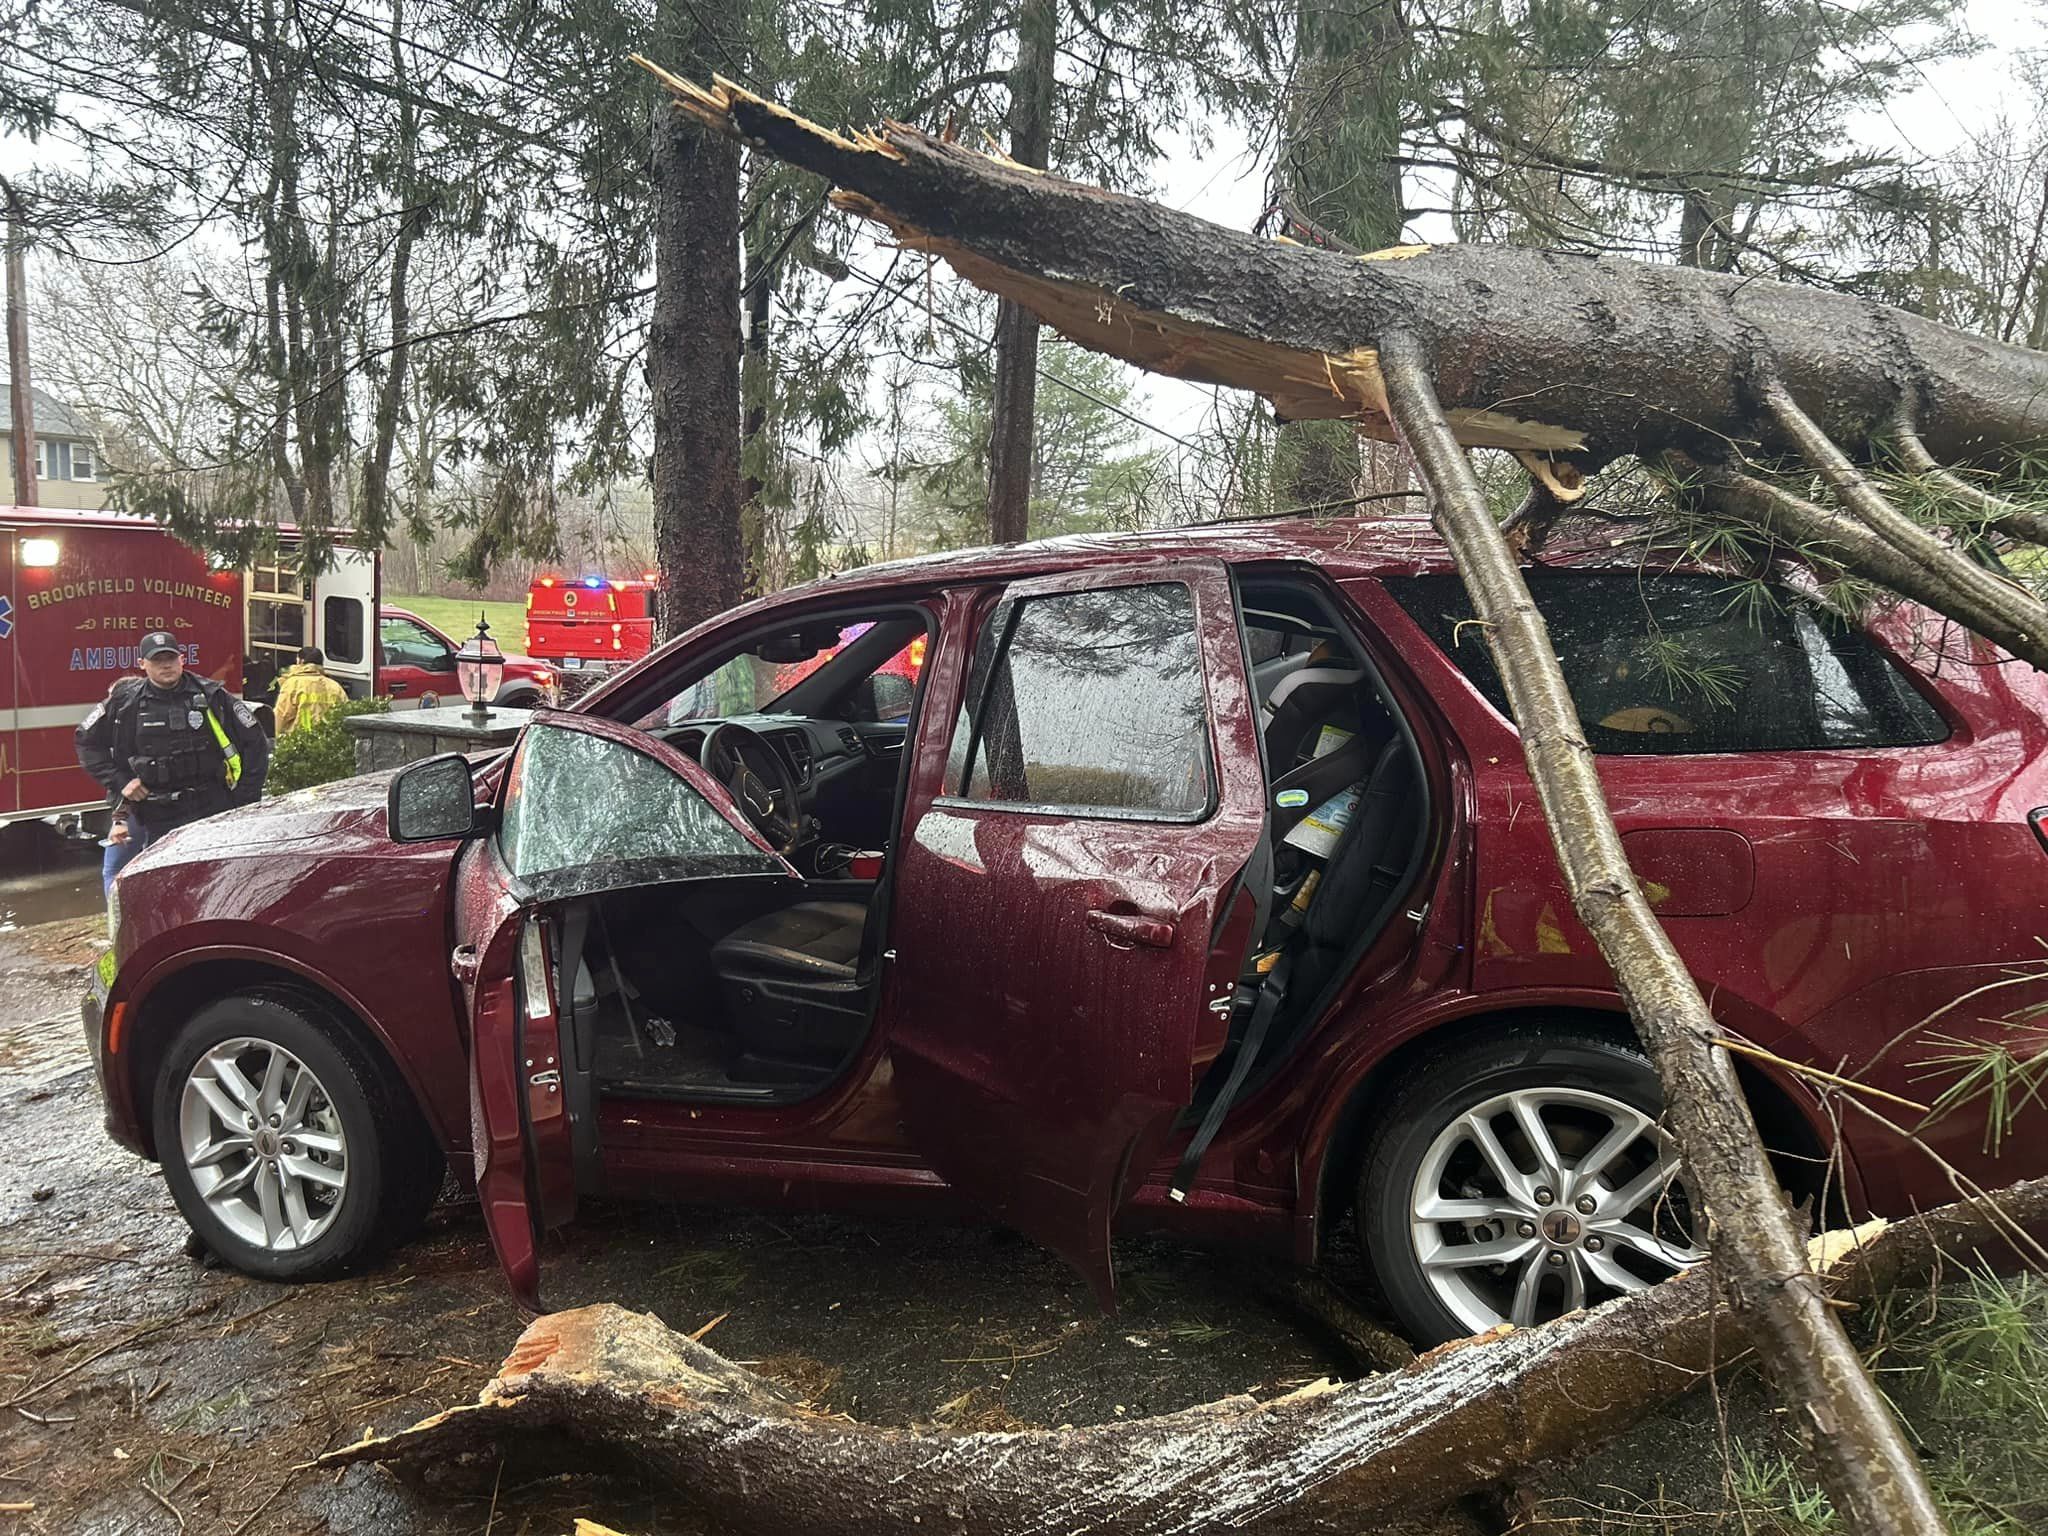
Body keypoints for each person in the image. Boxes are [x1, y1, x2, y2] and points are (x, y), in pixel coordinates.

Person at [77, 632, 271, 892]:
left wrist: (244, 798)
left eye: (170, 658)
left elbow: (255, 742)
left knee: (216, 884)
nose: (166, 665)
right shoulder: (125, 702)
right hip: (159, 814)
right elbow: (86, 742)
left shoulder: (211, 694)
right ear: (143, 664)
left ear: (182, 659)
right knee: (169, 887)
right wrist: (120, 782)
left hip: (211, 808)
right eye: (157, 660)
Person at [273, 645, 349, 735]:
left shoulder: (292, 684)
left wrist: (274, 736)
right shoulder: (334, 686)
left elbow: (282, 715)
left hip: (300, 739)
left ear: (301, 661)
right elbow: (346, 712)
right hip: (328, 739)